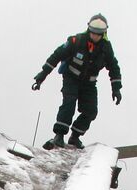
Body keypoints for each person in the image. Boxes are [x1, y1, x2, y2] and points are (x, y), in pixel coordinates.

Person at [32, 14, 122, 150]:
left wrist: (116, 88)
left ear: (104, 33)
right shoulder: (76, 41)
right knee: (69, 103)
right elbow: (55, 56)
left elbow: (114, 68)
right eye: (93, 33)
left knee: (91, 111)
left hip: (89, 84)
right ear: (89, 30)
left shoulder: (106, 48)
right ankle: (59, 135)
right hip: (71, 79)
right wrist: (41, 77)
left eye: (98, 34)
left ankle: (75, 137)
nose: (95, 36)